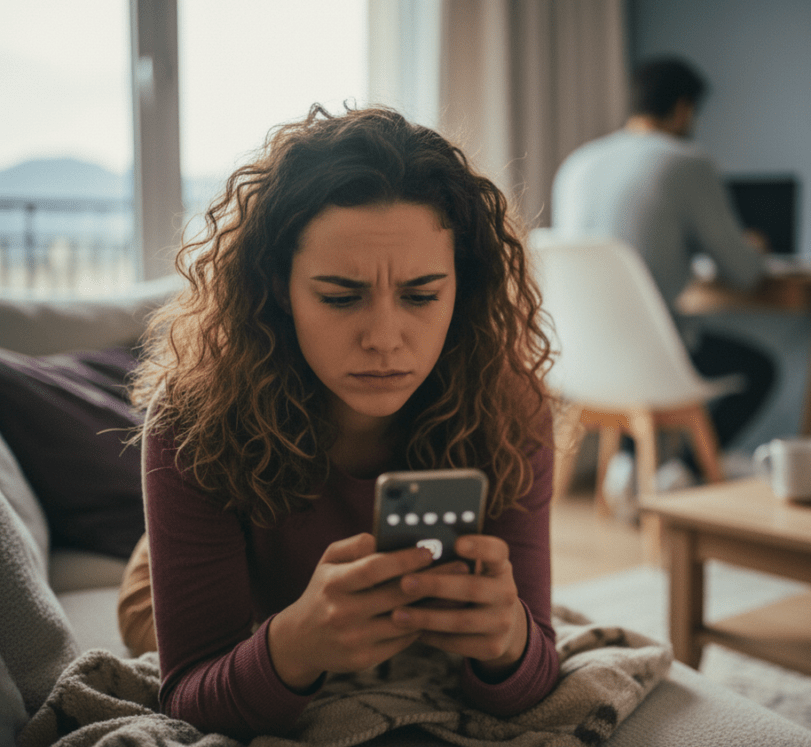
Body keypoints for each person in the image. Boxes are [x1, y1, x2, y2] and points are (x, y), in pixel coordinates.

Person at [118, 105, 560, 740]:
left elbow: (536, 667)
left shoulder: (510, 409)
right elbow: (189, 692)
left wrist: (511, 640)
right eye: (340, 297)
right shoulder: (192, 423)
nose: (384, 338)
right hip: (188, 571)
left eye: (422, 295)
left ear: (465, 286)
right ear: (276, 286)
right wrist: (294, 646)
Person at [551, 55, 776, 470]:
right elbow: (744, 273)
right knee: (761, 370)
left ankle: (628, 469)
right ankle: (683, 474)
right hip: (652, 359)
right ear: (683, 108)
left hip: (580, 362)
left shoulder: (576, 165)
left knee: (647, 344)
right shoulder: (687, 162)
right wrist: (755, 246)